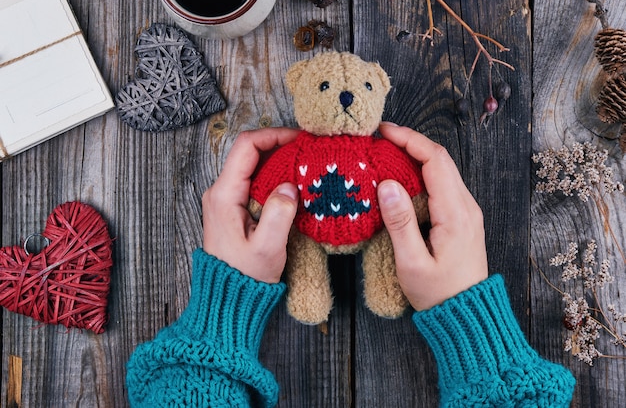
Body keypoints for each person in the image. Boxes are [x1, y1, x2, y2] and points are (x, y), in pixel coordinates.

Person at [126, 123, 576, 407]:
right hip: (311, 235)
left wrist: (220, 309)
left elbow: (185, 398)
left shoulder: (379, 158)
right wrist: (470, 323)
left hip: (368, 233)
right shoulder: (297, 156)